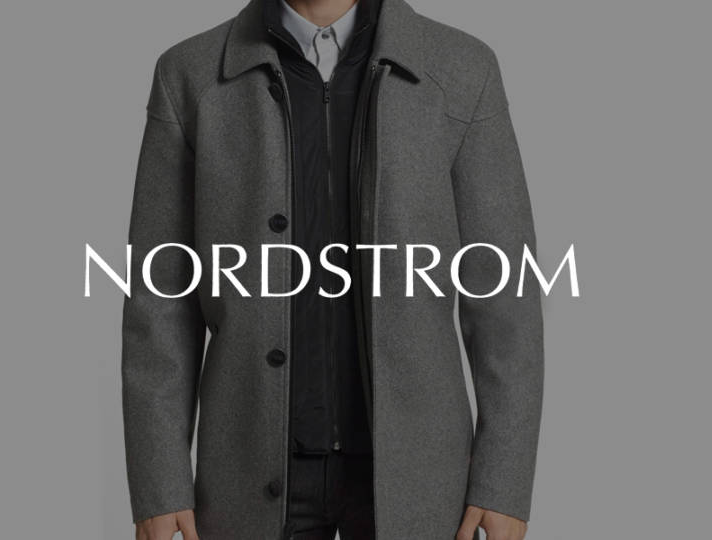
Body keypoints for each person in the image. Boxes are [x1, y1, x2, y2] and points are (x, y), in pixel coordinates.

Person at [121, 0, 543, 539]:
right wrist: (160, 484)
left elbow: (506, 293)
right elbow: (158, 301)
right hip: (248, 475)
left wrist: (502, 482)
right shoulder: (189, 74)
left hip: (419, 479)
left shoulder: (462, 69)